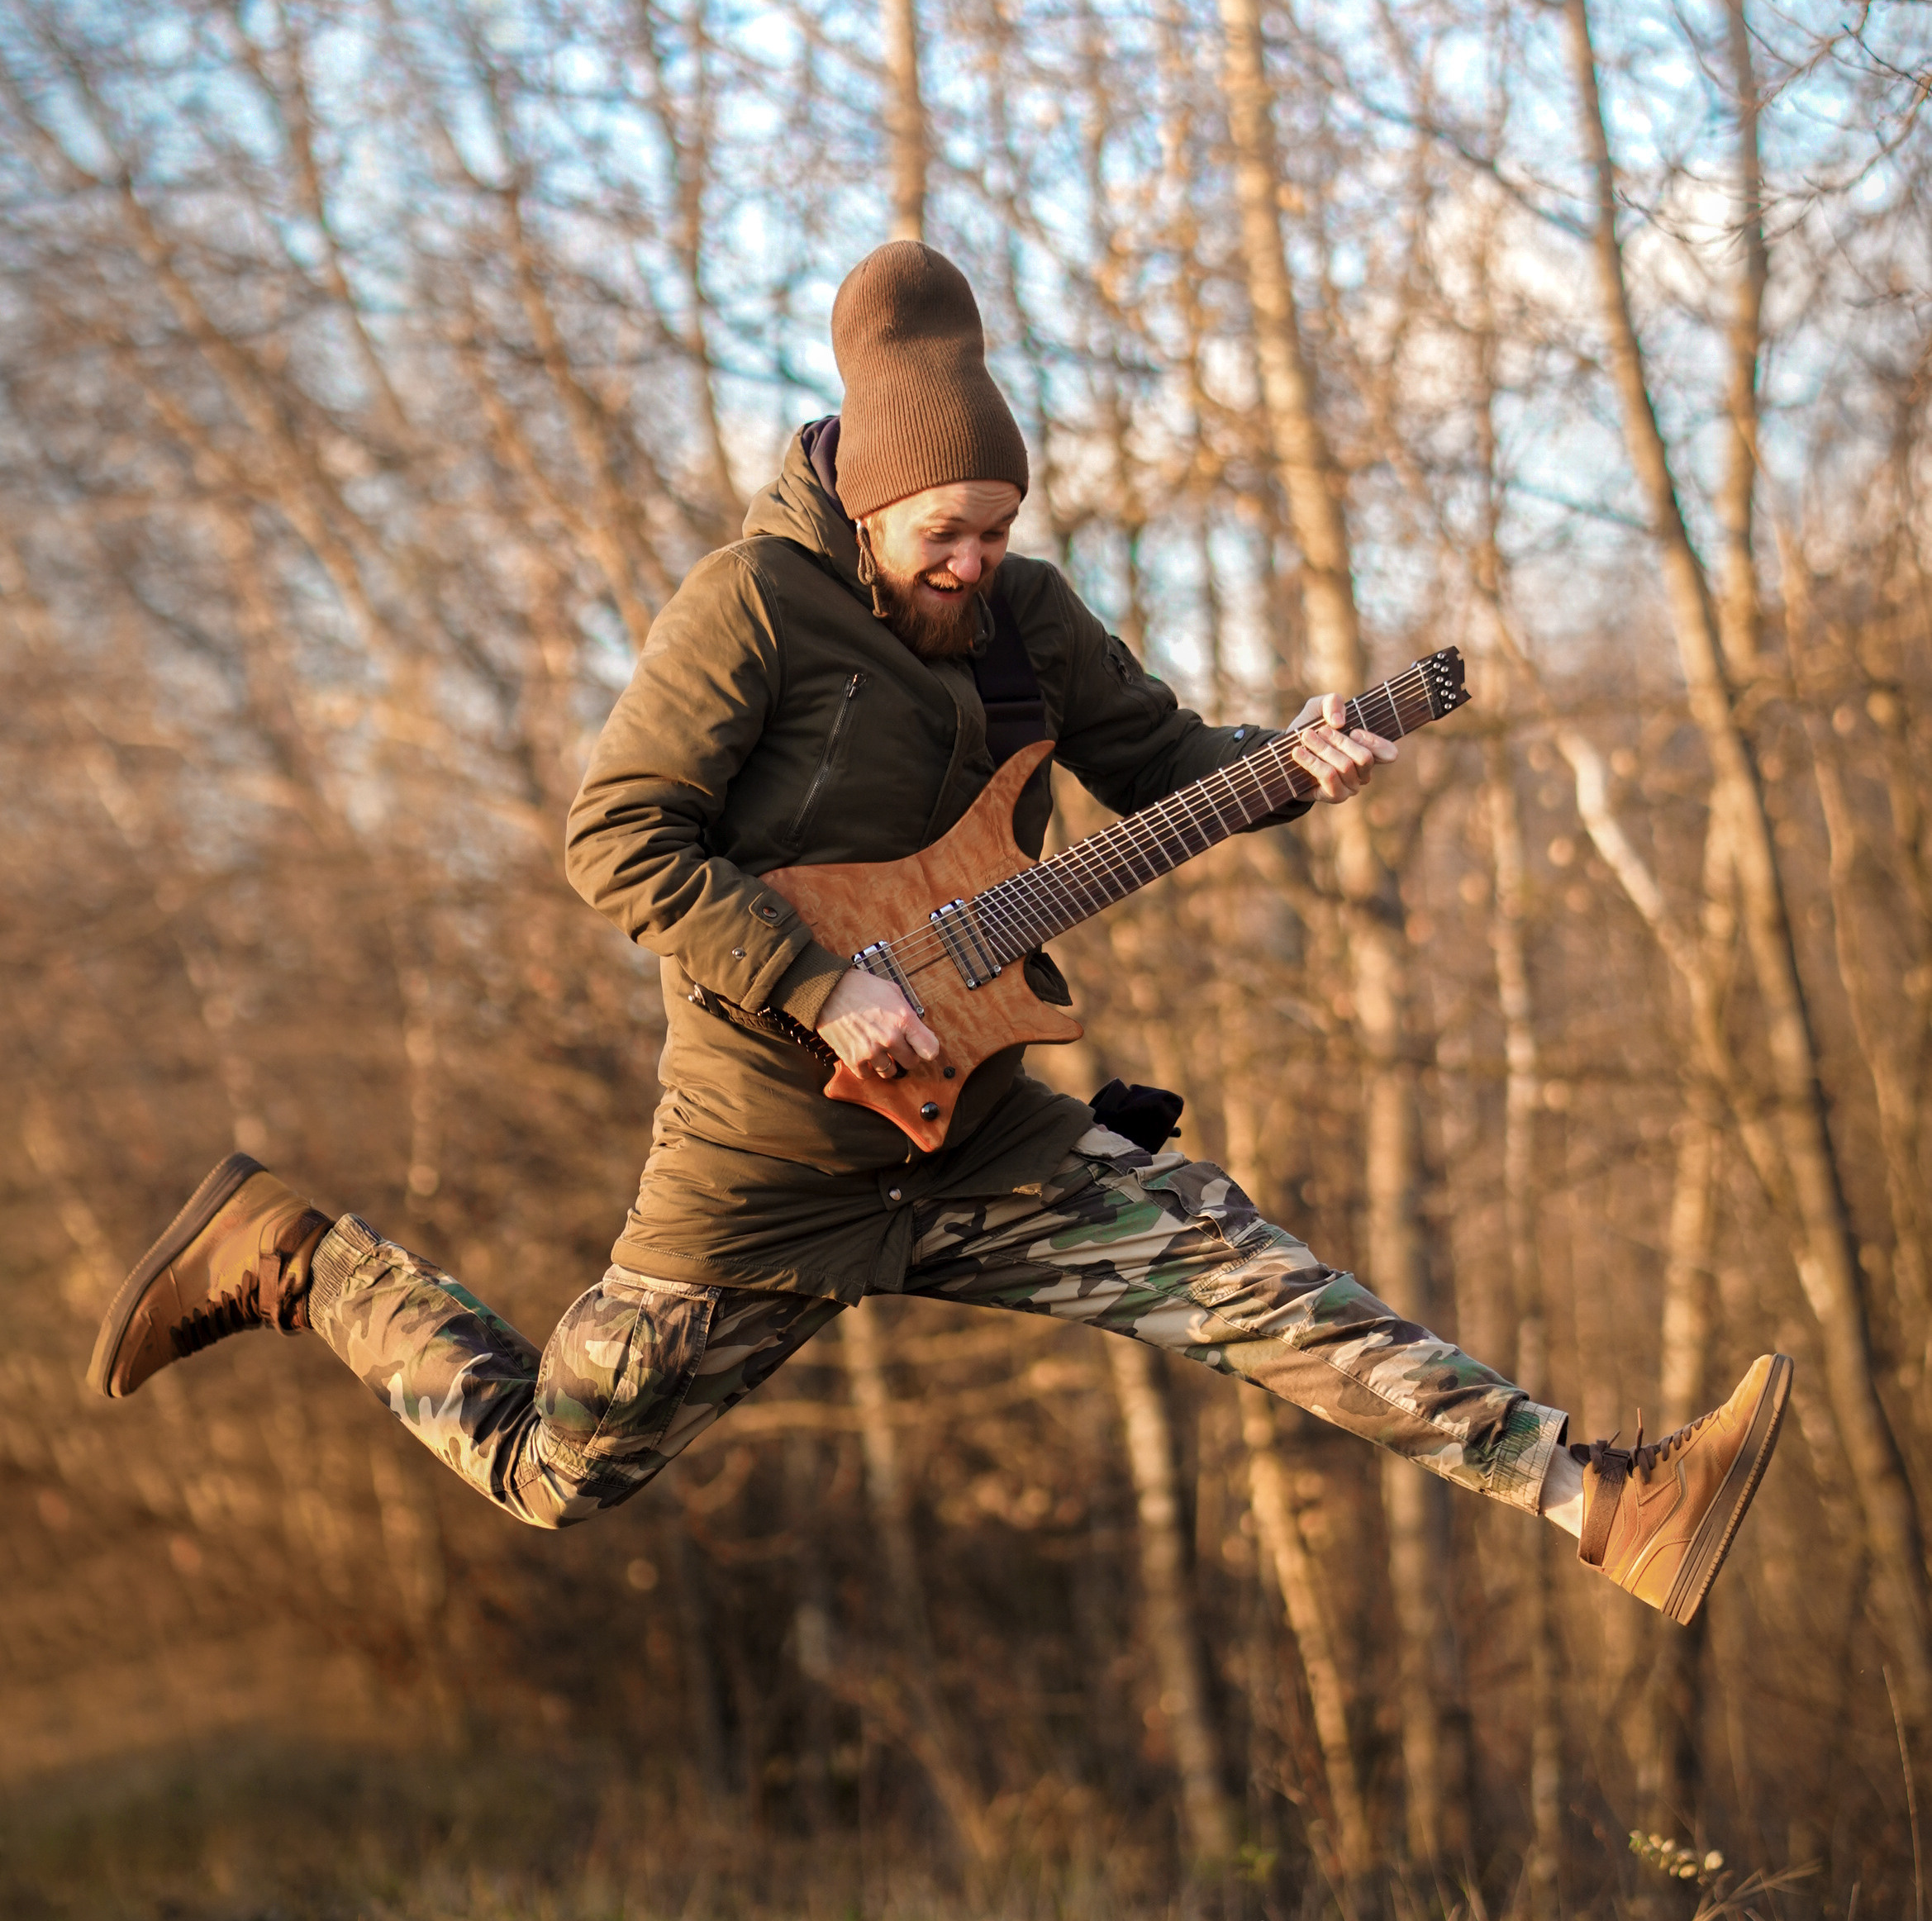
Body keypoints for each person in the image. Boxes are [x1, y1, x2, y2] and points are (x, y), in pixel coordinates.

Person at [90, 242, 1789, 1628]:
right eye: (941, 535)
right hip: (765, 1148)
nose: (972, 564)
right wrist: (821, 984)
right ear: (862, 502)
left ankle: (1604, 1495)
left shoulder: (1026, 623)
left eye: (995, 529)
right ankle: (304, 1259)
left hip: (973, 1130)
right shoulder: (750, 605)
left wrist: (1295, 763)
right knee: (554, 1465)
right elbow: (615, 838)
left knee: (1235, 1268)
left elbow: (1163, 768)